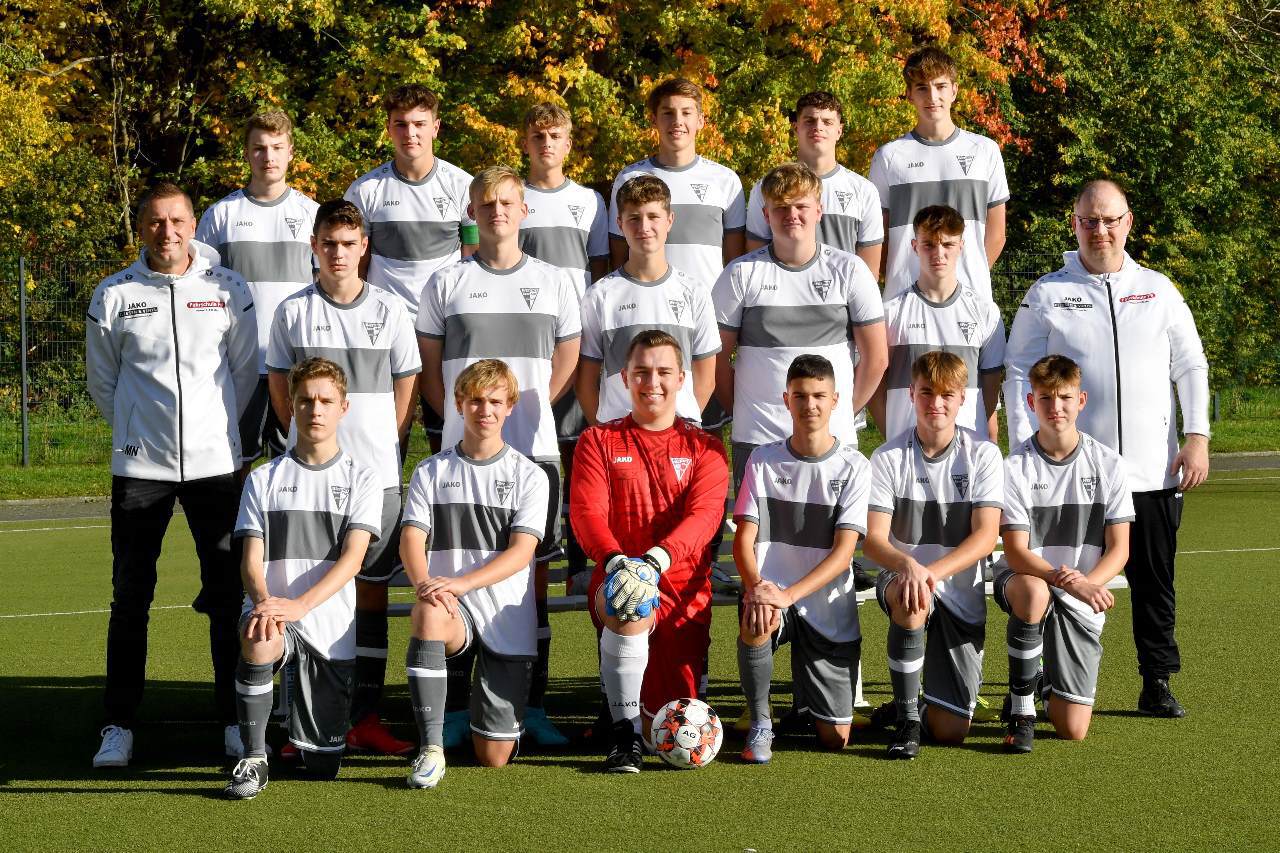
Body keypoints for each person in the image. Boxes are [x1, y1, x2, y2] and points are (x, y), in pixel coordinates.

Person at [1004, 178, 1210, 717]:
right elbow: (1018, 369)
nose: (1101, 230)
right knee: (1057, 577)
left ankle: (1156, 680)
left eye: (1110, 219)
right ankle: (1045, 674)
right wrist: (1024, 448)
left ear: (1128, 222)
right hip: (1066, 476)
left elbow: (1190, 364)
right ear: (1074, 225)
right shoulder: (1048, 292)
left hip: (1151, 472)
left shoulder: (1159, 289)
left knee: (1154, 582)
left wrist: (1197, 436)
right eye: (1089, 220)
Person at [86, 181, 258, 767]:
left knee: (226, 593)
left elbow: (244, 374)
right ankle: (118, 723)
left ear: (193, 225)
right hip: (140, 468)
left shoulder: (228, 290)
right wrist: (139, 430)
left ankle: (234, 722)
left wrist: (216, 437)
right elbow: (102, 383)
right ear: (141, 229)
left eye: (178, 220)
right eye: (156, 222)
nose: (168, 232)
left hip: (216, 469)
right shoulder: (113, 295)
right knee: (130, 596)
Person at [417, 166, 581, 748]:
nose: (497, 211)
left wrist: (525, 413)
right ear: (472, 211)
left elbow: (568, 357)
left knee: (531, 579)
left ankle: (530, 705)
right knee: (453, 571)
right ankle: (460, 707)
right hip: (458, 460)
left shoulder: (557, 281)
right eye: (486, 203)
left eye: (507, 202)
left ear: (524, 210)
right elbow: (432, 370)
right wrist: (461, 425)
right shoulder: (445, 282)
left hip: (532, 453)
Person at [266, 199, 421, 756]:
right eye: (328, 242)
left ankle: (365, 718)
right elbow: (280, 388)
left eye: (348, 243)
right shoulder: (292, 312)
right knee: (302, 593)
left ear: (364, 249)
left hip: (375, 476)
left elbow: (406, 389)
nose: (338, 253)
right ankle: (300, 723)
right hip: (308, 480)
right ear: (314, 246)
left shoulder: (392, 310)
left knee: (371, 596)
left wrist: (388, 444)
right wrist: (307, 446)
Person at [223, 357, 383, 799]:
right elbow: (251, 560)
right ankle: (253, 759)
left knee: (323, 766)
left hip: (329, 627)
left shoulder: (363, 479)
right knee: (259, 636)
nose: (315, 409)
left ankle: (304, 732)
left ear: (343, 408)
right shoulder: (263, 479)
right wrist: (265, 602)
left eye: (325, 401)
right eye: (305, 400)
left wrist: (301, 605)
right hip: (275, 610)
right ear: (291, 407)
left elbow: (353, 560)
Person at [570, 330, 729, 772]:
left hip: (681, 588)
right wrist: (620, 562)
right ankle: (623, 738)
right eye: (641, 372)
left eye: (663, 372)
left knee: (670, 720)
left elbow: (704, 518)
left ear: (682, 378)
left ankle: (632, 711)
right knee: (631, 596)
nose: (651, 382)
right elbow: (587, 514)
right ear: (624, 377)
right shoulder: (598, 441)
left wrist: (656, 561)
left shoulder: (706, 448)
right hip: (617, 575)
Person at [400, 360, 550, 788]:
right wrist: (426, 585)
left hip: (505, 615)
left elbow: (522, 552)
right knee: (427, 612)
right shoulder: (431, 471)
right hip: (451, 608)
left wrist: (462, 582)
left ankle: (476, 716)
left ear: (510, 408)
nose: (485, 410)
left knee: (494, 758)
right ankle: (431, 748)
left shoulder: (530, 476)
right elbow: (411, 539)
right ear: (459, 403)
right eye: (476, 400)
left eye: (495, 402)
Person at [864, 351, 1002, 759]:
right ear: (911, 394)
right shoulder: (887, 457)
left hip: (958, 588)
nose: (935, 403)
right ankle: (907, 721)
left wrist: (931, 573)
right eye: (926, 392)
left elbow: (985, 537)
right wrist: (909, 567)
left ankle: (919, 707)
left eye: (947, 394)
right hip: (903, 578)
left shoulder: (983, 454)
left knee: (952, 731)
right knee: (913, 596)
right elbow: (873, 540)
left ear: (963, 399)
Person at [713, 162, 886, 490]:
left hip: (833, 440)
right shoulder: (739, 274)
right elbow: (715, 361)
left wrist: (840, 412)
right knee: (757, 541)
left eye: (801, 206)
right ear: (766, 215)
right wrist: (743, 411)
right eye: (780, 207)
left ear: (819, 210)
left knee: (834, 539)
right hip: (758, 438)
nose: (791, 214)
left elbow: (876, 358)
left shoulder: (850, 271)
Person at [734, 355, 871, 763]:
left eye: (818, 396)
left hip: (822, 604)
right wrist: (757, 587)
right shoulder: (762, 459)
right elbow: (744, 539)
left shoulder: (854, 467)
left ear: (835, 401)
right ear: (786, 400)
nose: (809, 405)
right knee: (756, 615)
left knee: (835, 739)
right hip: (772, 595)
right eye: (800, 396)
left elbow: (845, 552)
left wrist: (788, 595)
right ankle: (761, 723)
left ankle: (806, 700)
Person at [995, 355, 1133, 753]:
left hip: (1081, 591)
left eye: (1064, 398)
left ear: (1082, 400)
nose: (1055, 408)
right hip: (1029, 579)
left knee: (1073, 729)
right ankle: (1022, 713)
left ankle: (1043, 680)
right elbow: (1017, 553)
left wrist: (1086, 584)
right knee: (1035, 594)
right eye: (1045, 398)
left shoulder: (1109, 464)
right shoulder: (1015, 467)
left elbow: (1120, 548)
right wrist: (1067, 580)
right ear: (1030, 402)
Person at [345, 83, 478, 454]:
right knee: (388, 433)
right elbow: (357, 265)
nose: (411, 133)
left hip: (444, 329)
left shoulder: (462, 185)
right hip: (386, 329)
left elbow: (471, 259)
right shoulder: (365, 190)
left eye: (419, 123)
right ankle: (387, 510)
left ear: (436, 127)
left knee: (448, 429)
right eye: (401, 124)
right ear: (389, 128)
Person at [608, 76, 745, 435]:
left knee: (699, 437)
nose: (677, 121)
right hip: (642, 320)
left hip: (701, 326)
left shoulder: (725, 182)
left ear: (701, 120)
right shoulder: (630, 178)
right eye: (667, 113)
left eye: (686, 112)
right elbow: (618, 254)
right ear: (654, 120)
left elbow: (733, 262)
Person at [518, 102, 608, 636]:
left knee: (578, 456)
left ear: (569, 142)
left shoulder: (589, 203)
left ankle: (579, 562)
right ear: (525, 143)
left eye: (555, 134)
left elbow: (598, 271)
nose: (546, 143)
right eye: (537, 135)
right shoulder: (512, 198)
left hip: (573, 345)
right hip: (527, 347)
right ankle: (525, 551)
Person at [196, 109, 319, 462]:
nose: (269, 157)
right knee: (234, 462)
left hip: (294, 363)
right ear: (247, 153)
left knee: (297, 463)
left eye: (277, 147)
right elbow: (202, 291)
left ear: (291, 152)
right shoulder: (221, 216)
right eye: (260, 148)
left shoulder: (312, 214)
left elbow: (322, 289)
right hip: (239, 364)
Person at [578, 174, 719, 427]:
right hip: (618, 436)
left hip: (680, 437)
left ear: (669, 220)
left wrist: (676, 429)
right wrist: (604, 433)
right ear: (619, 223)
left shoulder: (694, 291)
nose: (644, 227)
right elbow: (586, 382)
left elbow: (706, 378)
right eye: (634, 218)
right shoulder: (600, 295)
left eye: (653, 216)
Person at [869, 45, 1008, 302]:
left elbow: (997, 234)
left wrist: (967, 278)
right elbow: (878, 237)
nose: (932, 96)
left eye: (941, 86)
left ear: (954, 90)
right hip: (904, 300)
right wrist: (904, 278)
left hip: (971, 300)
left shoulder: (985, 150)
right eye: (922, 87)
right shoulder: (888, 157)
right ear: (909, 94)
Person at [873, 204, 1004, 442]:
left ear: (961, 246)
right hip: (905, 452)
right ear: (915, 247)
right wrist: (893, 436)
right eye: (929, 244)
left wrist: (983, 439)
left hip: (967, 454)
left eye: (948, 244)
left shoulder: (986, 313)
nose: (939, 253)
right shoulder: (891, 313)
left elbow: (991, 390)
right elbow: (876, 388)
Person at [745, 91, 883, 273]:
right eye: (809, 121)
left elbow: (868, 272)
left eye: (827, 122)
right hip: (784, 298)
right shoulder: (766, 187)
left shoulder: (863, 190)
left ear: (839, 130)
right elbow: (755, 259)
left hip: (839, 300)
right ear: (795, 128)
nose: (818, 127)